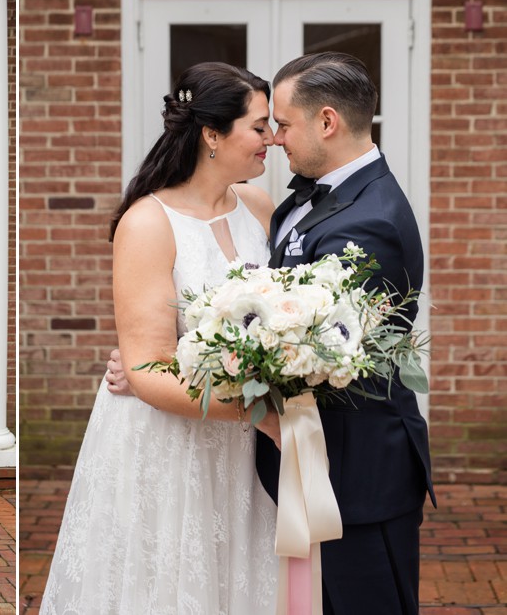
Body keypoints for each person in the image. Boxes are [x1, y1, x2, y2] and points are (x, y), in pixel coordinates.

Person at [40, 63, 280, 614]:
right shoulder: (149, 223)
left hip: (240, 446)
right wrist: (261, 414)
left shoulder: (262, 208)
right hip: (173, 437)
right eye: (260, 127)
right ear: (213, 135)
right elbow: (147, 367)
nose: (271, 140)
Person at [256, 51, 435, 614]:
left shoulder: (371, 220)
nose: (276, 139)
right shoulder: (315, 195)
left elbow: (327, 358)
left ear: (326, 122)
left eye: (283, 125)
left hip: (359, 476)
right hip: (315, 468)